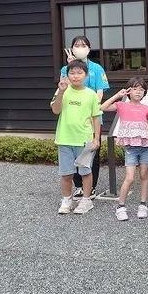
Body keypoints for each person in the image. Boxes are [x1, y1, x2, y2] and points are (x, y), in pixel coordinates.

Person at [101, 78, 148, 221]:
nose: (138, 92)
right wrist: (118, 95)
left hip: (146, 146)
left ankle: (143, 204)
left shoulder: (146, 109)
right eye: (135, 88)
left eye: (141, 89)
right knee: (130, 177)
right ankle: (120, 206)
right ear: (129, 90)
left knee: (144, 175)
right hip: (131, 148)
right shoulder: (121, 105)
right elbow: (103, 107)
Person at [60, 36, 109, 200]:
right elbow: (63, 89)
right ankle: (79, 186)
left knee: (91, 154)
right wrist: (70, 66)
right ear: (71, 48)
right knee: (73, 155)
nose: (80, 47)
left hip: (92, 116)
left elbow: (100, 92)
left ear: (89, 48)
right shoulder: (65, 69)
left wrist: (91, 110)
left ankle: (91, 187)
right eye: (76, 45)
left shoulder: (97, 68)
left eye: (83, 45)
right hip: (72, 119)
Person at [51, 59, 101, 215]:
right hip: (64, 139)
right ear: (67, 75)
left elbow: (96, 117)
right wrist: (60, 92)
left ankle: (86, 200)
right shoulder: (62, 91)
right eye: (72, 73)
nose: (75, 76)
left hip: (83, 140)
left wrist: (97, 138)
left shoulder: (91, 94)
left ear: (86, 75)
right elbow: (56, 110)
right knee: (66, 173)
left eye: (79, 73)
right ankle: (67, 199)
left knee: (85, 172)